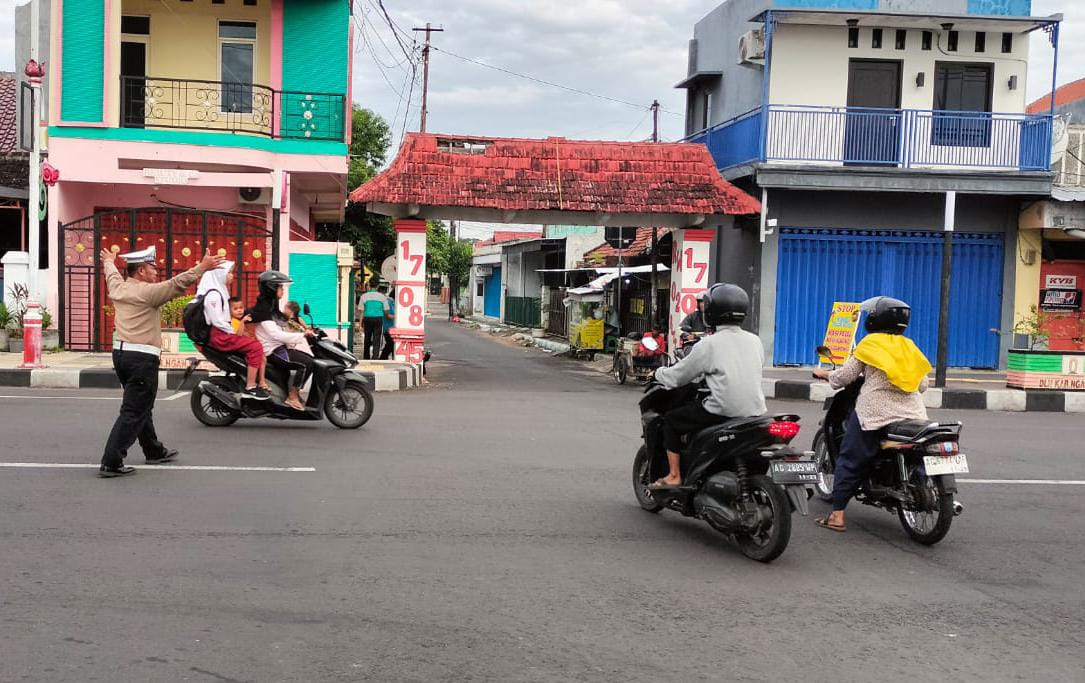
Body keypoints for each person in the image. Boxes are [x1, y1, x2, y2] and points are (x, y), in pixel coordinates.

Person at [98, 245, 223, 478]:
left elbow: (111, 274)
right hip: (141, 358)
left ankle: (153, 450)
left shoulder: (118, 287)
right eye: (153, 268)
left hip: (121, 355)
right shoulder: (147, 293)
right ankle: (111, 461)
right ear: (141, 271)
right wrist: (202, 267)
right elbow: (177, 284)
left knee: (141, 405)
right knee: (133, 410)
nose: (156, 271)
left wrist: (108, 260)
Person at [812, 296, 932, 533]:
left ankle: (837, 516)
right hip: (913, 414)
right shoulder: (909, 346)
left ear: (875, 320)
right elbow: (922, 384)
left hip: (875, 414)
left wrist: (825, 374)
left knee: (850, 458)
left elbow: (844, 377)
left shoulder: (869, 344)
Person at [650, 283, 767, 488]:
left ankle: (674, 476)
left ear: (713, 311)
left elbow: (678, 376)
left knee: (671, 421)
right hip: (755, 412)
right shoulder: (755, 340)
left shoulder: (709, 344)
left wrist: (658, 373)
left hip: (722, 410)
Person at [198, 261, 269, 400]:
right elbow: (217, 321)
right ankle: (250, 386)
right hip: (220, 336)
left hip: (222, 333)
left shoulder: (220, 291)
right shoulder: (214, 295)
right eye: (229, 273)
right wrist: (231, 331)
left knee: (252, 345)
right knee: (255, 347)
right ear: (220, 274)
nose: (232, 276)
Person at [251, 270, 316, 411]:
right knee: (306, 364)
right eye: (280, 287)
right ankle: (293, 396)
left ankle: (292, 393)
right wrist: (302, 336)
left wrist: (304, 330)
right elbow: (276, 335)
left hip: (279, 347)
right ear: (271, 288)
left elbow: (285, 323)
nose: (282, 290)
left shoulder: (271, 307)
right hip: (272, 350)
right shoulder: (264, 310)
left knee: (310, 360)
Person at [359, 278, 389, 360]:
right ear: (377, 286)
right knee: (377, 338)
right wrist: (387, 316)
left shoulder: (364, 296)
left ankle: (366, 357)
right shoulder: (382, 297)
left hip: (367, 319)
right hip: (378, 319)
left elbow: (362, 312)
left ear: (369, 285)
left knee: (367, 338)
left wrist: (360, 325)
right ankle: (375, 356)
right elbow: (386, 310)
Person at [379, 285, 396, 360]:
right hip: (389, 328)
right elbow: (388, 315)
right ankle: (382, 358)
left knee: (391, 345)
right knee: (390, 344)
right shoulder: (390, 302)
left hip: (390, 327)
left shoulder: (392, 302)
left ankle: (384, 358)